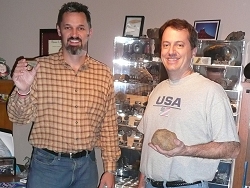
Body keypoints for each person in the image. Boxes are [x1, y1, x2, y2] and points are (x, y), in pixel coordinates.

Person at [7, 2, 120, 188]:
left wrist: (109, 169)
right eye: (68, 27)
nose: (74, 34)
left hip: (87, 168)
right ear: (59, 30)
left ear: (89, 31)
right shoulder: (39, 69)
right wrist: (23, 90)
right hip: (47, 168)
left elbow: (108, 125)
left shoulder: (103, 74)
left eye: (80, 28)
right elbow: (18, 117)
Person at [137, 18, 240, 188]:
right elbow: (148, 144)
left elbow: (232, 148)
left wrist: (187, 150)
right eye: (166, 45)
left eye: (179, 45)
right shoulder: (158, 90)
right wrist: (142, 182)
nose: (171, 51)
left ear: (193, 51)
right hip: (150, 183)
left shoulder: (211, 92)